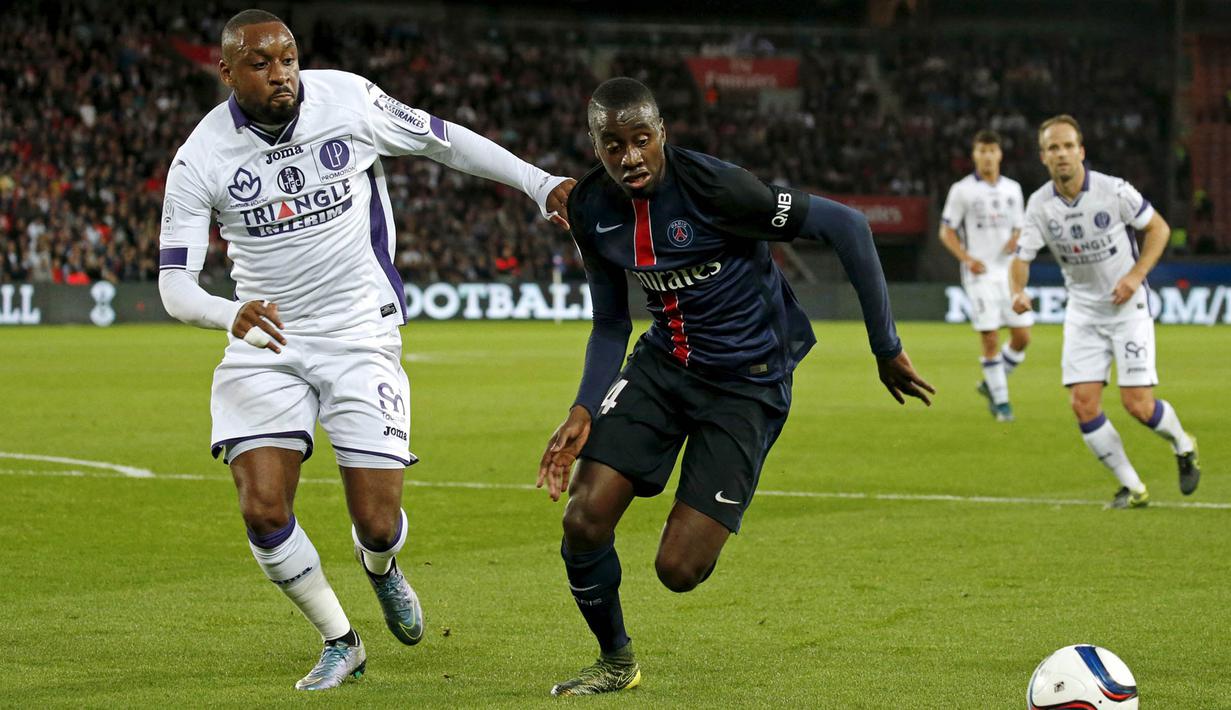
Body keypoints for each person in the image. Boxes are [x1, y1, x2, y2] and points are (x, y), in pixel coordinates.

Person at [157, 9, 573, 691]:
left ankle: (380, 567)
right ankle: (339, 639)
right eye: (260, 63)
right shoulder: (199, 156)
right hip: (267, 336)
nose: (280, 72)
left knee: (376, 524)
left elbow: (442, 140)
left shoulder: (348, 100)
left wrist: (538, 182)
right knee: (262, 506)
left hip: (359, 330)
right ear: (226, 70)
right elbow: (175, 286)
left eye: (287, 57)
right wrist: (230, 313)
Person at [535, 77, 933, 696]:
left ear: (662, 133)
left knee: (679, 570)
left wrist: (885, 347)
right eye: (613, 145)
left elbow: (849, 226)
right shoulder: (591, 208)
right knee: (583, 519)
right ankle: (615, 662)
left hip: (747, 383)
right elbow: (612, 319)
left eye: (642, 139)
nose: (631, 157)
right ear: (595, 145)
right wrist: (584, 407)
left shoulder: (719, 188)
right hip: (663, 367)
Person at [1010, 114, 1200, 509]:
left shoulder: (1114, 191)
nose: (1061, 154)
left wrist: (1136, 274)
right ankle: (1133, 487)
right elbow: (1022, 256)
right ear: (1043, 157)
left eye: (1067, 146)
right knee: (1083, 403)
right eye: (1052, 148)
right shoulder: (1039, 205)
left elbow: (1159, 229)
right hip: (1083, 312)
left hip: (1128, 309)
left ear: (1081, 151)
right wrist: (1017, 290)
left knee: (1138, 405)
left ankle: (1183, 444)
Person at [939, 130, 1031, 422]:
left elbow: (1020, 226)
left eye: (992, 150)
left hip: (1009, 272)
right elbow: (946, 231)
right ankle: (1002, 404)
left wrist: (1016, 238)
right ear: (974, 155)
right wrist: (967, 258)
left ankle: (991, 384)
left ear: (1000, 154)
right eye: (982, 151)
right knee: (990, 337)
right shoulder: (962, 190)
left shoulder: (1013, 190)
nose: (987, 156)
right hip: (979, 274)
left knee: (1022, 336)